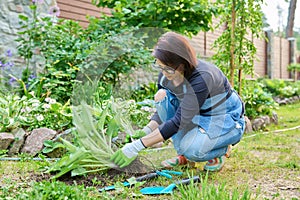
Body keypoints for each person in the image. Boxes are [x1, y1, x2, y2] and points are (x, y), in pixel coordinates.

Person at [111, 31, 245, 172]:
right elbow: (164, 110)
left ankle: (220, 149)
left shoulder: (203, 77)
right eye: (161, 67)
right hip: (194, 115)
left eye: (168, 68)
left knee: (193, 150)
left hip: (223, 118)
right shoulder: (165, 76)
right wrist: (147, 130)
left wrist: (136, 146)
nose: (164, 72)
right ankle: (185, 155)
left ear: (183, 62)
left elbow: (178, 122)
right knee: (161, 96)